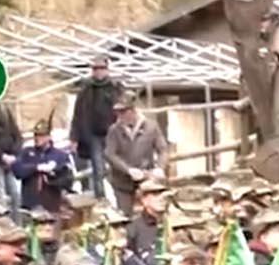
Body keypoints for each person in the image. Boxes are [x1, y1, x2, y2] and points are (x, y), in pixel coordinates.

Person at [105, 94, 165, 213]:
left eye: (123, 111)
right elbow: (110, 154)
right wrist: (128, 170)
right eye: (117, 112)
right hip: (122, 182)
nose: (120, 115)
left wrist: (160, 167)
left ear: (133, 110)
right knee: (125, 215)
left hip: (146, 179)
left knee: (151, 214)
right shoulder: (114, 130)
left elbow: (162, 149)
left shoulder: (151, 127)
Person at [71, 56, 121, 195]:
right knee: (98, 170)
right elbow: (77, 114)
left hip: (113, 133)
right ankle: (101, 200)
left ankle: (118, 198)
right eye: (95, 68)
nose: (98, 71)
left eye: (101, 68)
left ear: (107, 70)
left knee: (116, 166)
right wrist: (74, 137)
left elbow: (123, 109)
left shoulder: (115, 87)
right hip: (93, 135)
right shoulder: (86, 89)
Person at [13, 121, 75, 215]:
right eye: (36, 135)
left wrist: (53, 173)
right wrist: (36, 168)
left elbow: (68, 179)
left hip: (52, 205)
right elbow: (18, 170)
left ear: (48, 137)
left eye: (41, 136)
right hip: (30, 205)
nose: (37, 138)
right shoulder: (27, 153)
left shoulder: (60, 155)